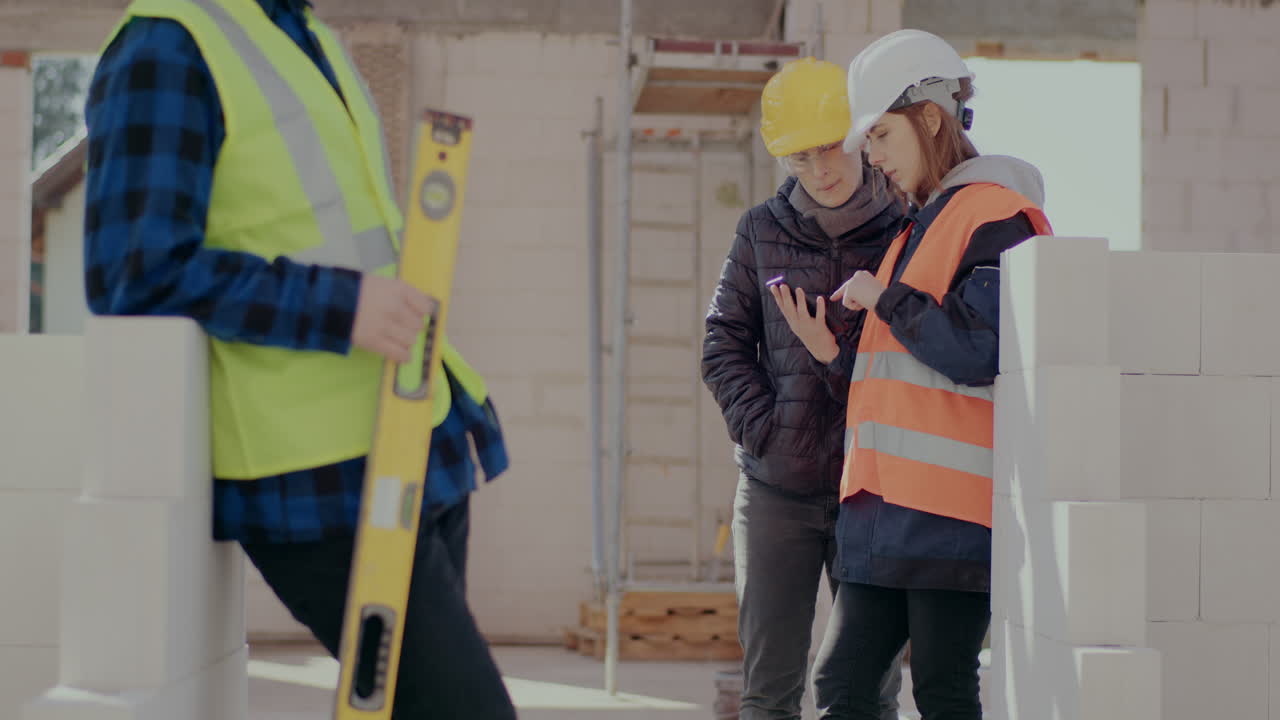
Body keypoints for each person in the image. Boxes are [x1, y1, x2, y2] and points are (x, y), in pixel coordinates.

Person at [82, 1, 515, 717]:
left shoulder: (302, 31)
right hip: (319, 476)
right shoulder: (168, 43)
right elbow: (135, 270)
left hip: (413, 435)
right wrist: (339, 307)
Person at [783, 30, 1054, 720]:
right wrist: (829, 353)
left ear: (929, 118)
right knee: (841, 685)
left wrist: (886, 299)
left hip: (949, 518)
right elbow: (903, 383)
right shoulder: (916, 231)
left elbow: (977, 350)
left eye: (879, 135)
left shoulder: (998, 218)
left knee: (941, 690)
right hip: (881, 515)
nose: (869, 157)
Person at [701, 57, 905, 720]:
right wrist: (769, 429)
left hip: (870, 492)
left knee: (868, 689)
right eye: (801, 158)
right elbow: (722, 344)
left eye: (830, 149)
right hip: (774, 495)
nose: (821, 170)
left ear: (858, 138)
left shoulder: (906, 226)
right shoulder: (760, 229)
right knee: (769, 689)